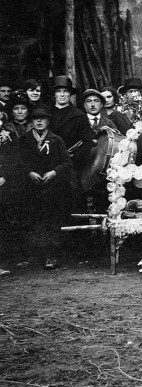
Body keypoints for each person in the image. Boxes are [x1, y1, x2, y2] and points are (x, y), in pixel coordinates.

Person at [19, 105, 72, 270]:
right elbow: (18, 162)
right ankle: (34, 255)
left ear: (48, 121)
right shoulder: (25, 140)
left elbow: (67, 163)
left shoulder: (56, 140)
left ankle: (51, 256)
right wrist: (29, 172)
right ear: (32, 122)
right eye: (36, 119)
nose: (39, 121)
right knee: (34, 222)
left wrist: (54, 172)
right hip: (32, 188)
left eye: (43, 118)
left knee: (52, 222)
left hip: (52, 188)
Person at [49, 75, 94, 172]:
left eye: (65, 91)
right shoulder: (47, 113)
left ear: (70, 94)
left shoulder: (79, 116)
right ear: (54, 94)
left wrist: (74, 157)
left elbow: (87, 142)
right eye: (59, 91)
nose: (62, 94)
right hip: (47, 162)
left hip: (70, 165)